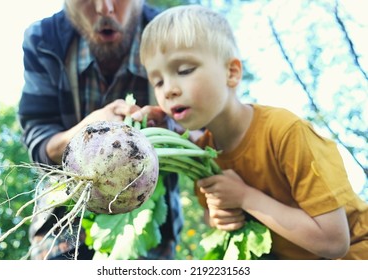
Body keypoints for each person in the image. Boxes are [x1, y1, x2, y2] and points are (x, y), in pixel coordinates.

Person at [135, 5, 368, 259]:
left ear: (231, 73)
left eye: (184, 71)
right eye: (158, 81)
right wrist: (218, 214)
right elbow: (212, 212)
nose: (168, 89)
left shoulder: (285, 132)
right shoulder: (202, 154)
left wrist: (245, 197)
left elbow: (334, 242)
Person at [18, 0, 183, 260]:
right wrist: (86, 131)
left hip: (143, 219)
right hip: (62, 217)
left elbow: (202, 119)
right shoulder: (44, 40)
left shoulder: (174, 32)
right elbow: (38, 140)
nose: (104, 8)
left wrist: (172, 124)